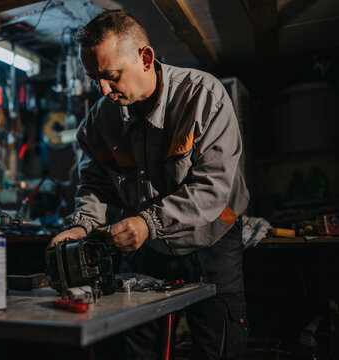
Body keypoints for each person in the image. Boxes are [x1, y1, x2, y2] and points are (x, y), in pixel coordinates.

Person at [50, 9, 250, 360]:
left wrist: (148, 222)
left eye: (111, 76)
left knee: (218, 345)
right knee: (139, 347)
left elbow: (212, 188)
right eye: (94, 78)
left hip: (212, 241)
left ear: (145, 58)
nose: (103, 89)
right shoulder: (100, 120)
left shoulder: (205, 98)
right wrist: (82, 225)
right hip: (148, 250)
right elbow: (96, 185)